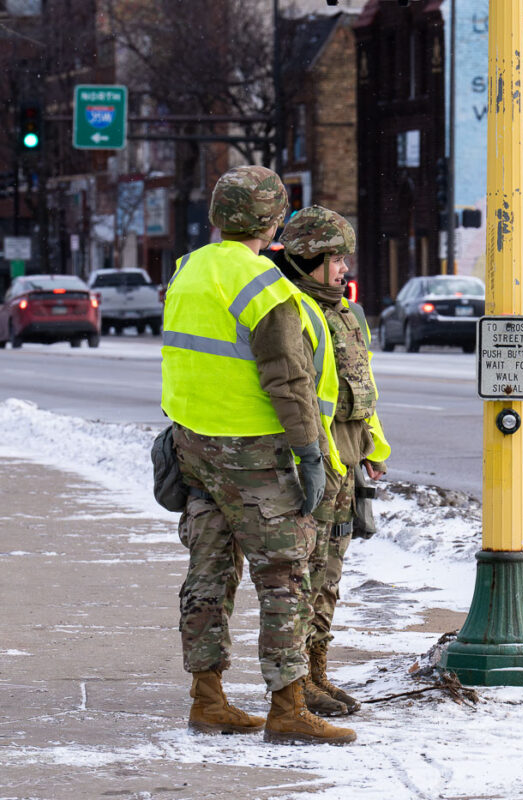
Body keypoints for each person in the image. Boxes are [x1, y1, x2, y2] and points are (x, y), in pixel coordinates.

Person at [161, 165, 355, 745]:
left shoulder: (188, 269)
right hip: (255, 456)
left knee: (208, 574)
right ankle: (288, 707)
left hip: (194, 447)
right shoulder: (263, 284)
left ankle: (208, 698)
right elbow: (287, 379)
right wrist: (309, 452)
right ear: (273, 223)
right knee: (284, 579)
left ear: (219, 217)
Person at [271, 206, 390, 717]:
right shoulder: (292, 309)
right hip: (313, 462)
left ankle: (318, 669)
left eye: (345, 258)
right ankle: (298, 680)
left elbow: (362, 388)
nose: (344, 268)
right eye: (336, 258)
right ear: (309, 259)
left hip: (346, 460)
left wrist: (373, 448)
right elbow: (293, 391)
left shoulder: (346, 311)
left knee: (331, 572)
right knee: (305, 572)